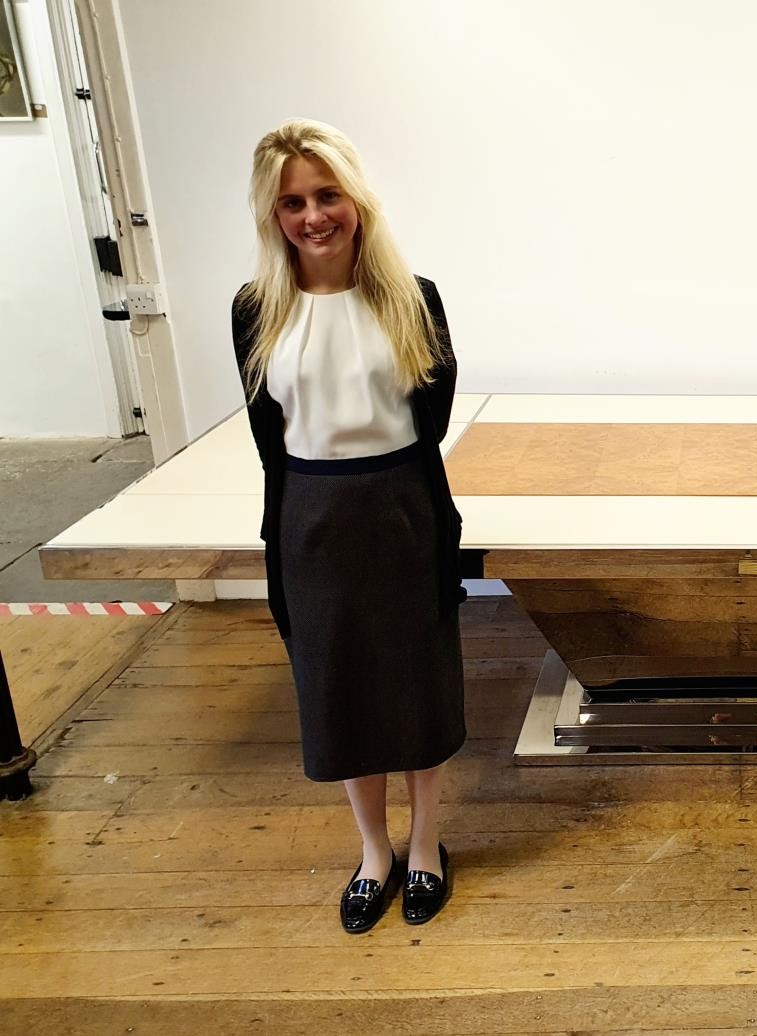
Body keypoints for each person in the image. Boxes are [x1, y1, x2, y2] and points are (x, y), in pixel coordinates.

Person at [231, 118, 466, 932]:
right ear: (273, 214)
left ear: (356, 199)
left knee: (417, 688)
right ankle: (375, 852)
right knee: (338, 693)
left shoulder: (410, 298)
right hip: (311, 517)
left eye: (327, 194)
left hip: (401, 509)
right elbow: (270, 437)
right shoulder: (257, 309)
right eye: (292, 201)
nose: (313, 216)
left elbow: (429, 422)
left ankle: (427, 845)